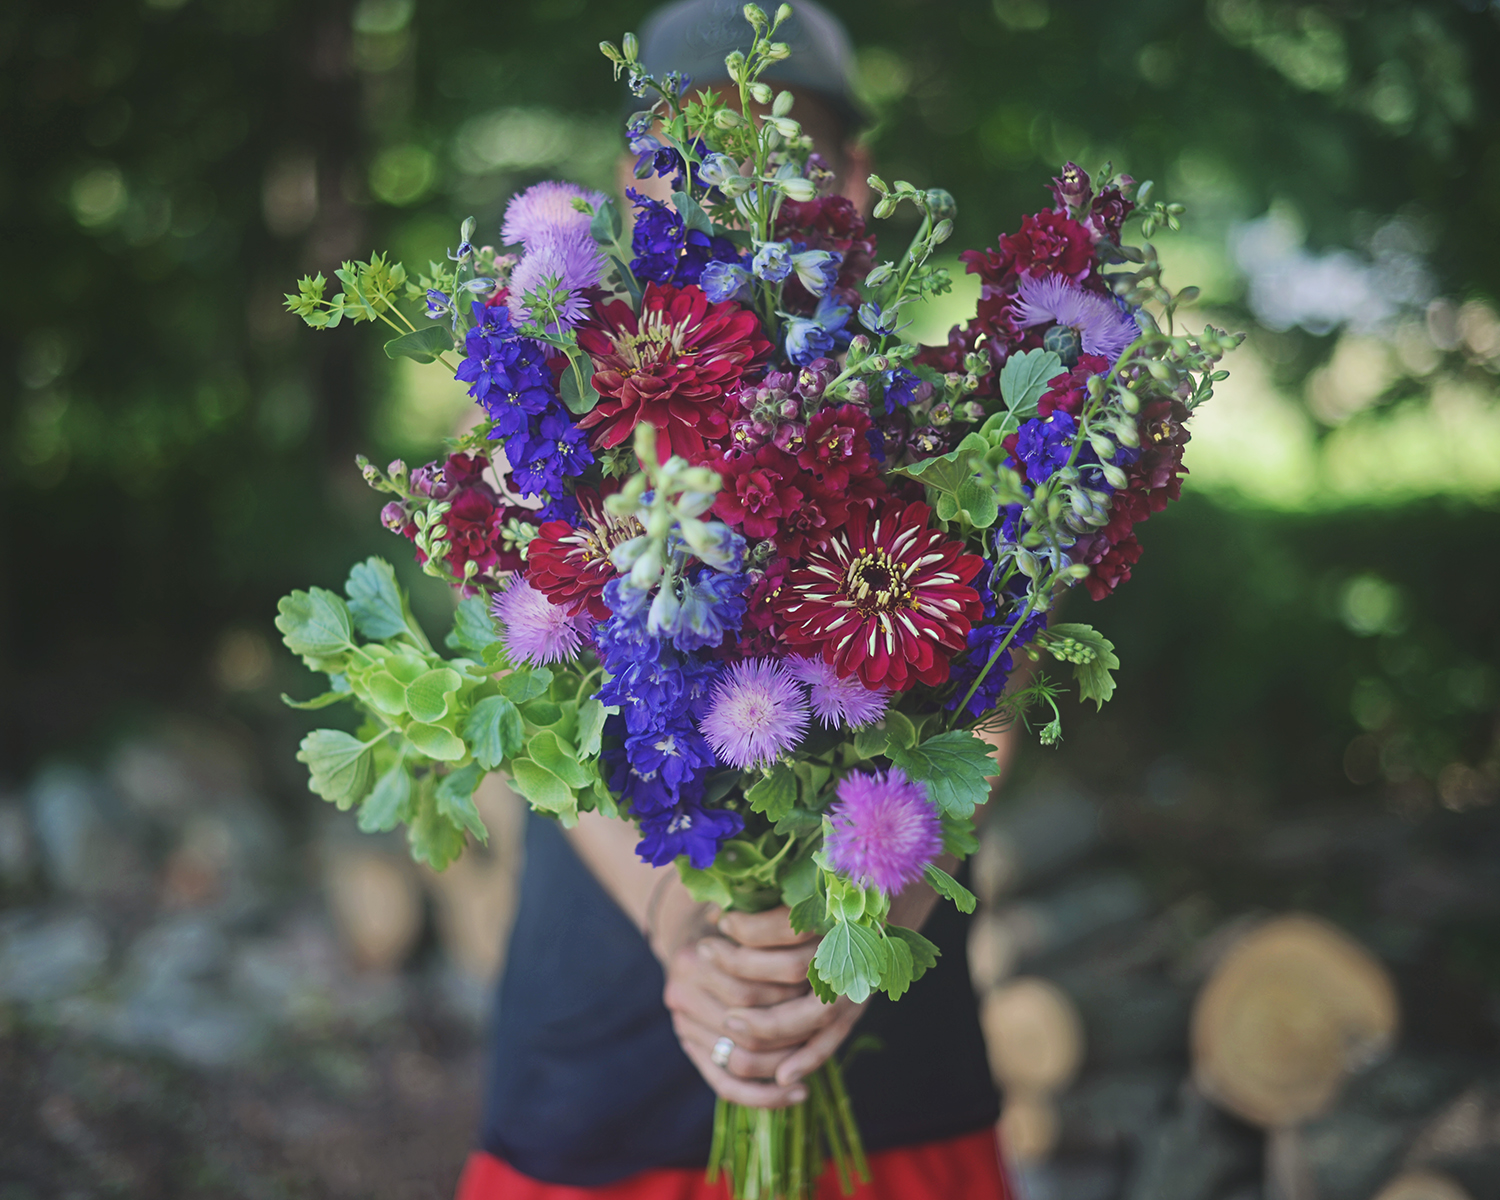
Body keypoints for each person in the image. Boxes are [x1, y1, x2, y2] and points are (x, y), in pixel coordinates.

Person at [455, 4, 1016, 1197]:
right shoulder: (548, 406)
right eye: (690, 157)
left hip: (884, 1029)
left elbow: (1001, 693)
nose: (738, 187)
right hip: (604, 1046)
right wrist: (678, 925)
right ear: (627, 183)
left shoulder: (937, 415)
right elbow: (523, 691)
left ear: (855, 180)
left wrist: (875, 915)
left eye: (787, 151)